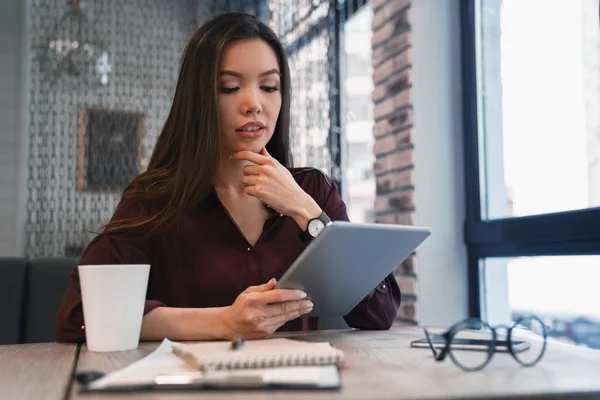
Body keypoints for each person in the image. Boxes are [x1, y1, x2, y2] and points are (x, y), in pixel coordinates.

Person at [55, 12, 401, 343]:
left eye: (268, 86)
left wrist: (309, 215)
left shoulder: (312, 191)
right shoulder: (155, 199)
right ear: (200, 98)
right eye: (230, 87)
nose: (253, 103)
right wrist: (223, 322)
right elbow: (79, 314)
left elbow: (380, 312)